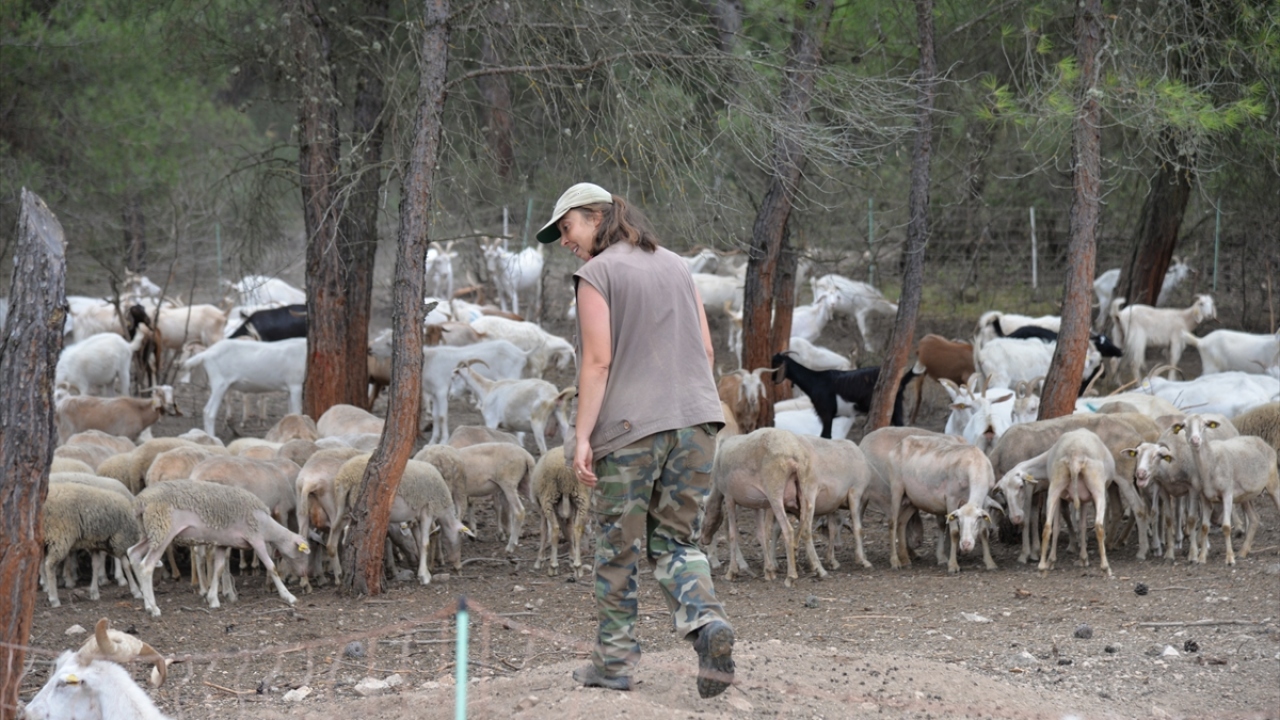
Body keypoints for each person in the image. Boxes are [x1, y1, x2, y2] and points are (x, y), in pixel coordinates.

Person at [536, 182, 735, 698]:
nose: (565, 240)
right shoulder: (676, 264)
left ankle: (614, 663)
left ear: (597, 217)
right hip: (697, 422)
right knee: (677, 541)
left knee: (616, 548)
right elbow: (708, 351)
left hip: (629, 433)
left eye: (568, 227)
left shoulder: (595, 274)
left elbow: (598, 363)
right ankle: (707, 623)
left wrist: (582, 436)